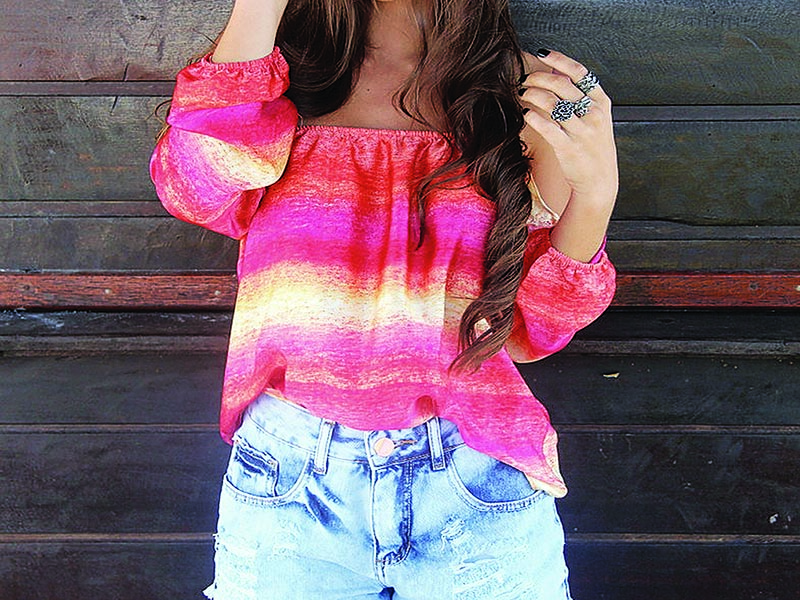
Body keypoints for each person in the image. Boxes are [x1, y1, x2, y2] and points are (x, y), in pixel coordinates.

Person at [151, 0, 618, 597]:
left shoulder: (525, 95)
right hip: (289, 481)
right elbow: (196, 188)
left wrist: (596, 194)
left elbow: (535, 327)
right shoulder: (273, 78)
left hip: (474, 479)